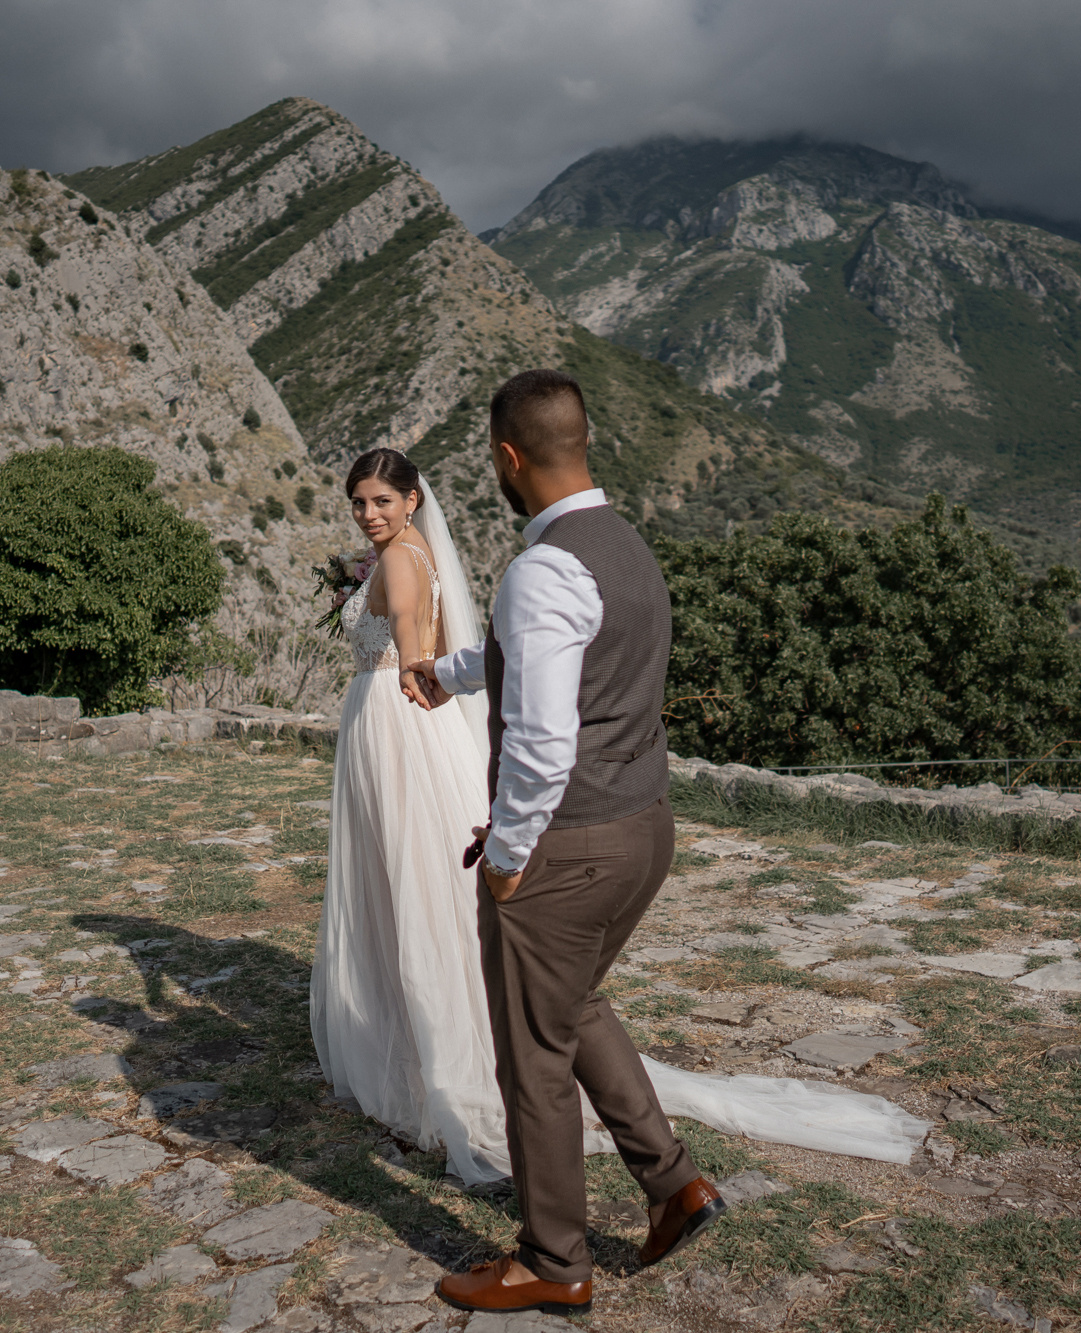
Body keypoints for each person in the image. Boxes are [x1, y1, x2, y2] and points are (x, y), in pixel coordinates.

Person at [407, 369, 723, 1318]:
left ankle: (553, 1259)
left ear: (508, 458)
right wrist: (454, 671)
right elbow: (552, 656)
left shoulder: (542, 569)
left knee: (533, 1056)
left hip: (569, 846)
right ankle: (674, 1185)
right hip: (644, 828)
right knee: (575, 1004)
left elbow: (544, 740)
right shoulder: (624, 545)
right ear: (581, 442)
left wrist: (508, 856)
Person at [309, 446, 512, 1188]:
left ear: (412, 501)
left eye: (382, 502)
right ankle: (423, 1030)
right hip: (401, 722)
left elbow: (409, 645)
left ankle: (425, 1057)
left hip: (391, 724)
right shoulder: (414, 552)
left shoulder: (397, 560)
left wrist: (402, 674)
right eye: (359, 503)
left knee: (402, 876)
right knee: (413, 875)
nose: (369, 515)